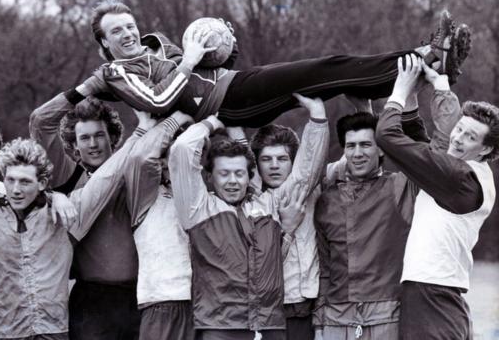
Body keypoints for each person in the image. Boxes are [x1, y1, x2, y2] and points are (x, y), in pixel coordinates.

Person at [63, 0, 470, 128]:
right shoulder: (116, 73)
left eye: (130, 25)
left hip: (236, 83)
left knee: (333, 76)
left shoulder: (159, 48)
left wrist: (223, 45)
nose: (129, 34)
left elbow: (213, 67)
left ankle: (428, 63)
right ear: (104, 43)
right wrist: (187, 62)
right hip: (229, 106)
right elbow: (156, 101)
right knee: (327, 70)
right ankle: (425, 58)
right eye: (117, 32)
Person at [312, 54, 462, 340]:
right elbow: (323, 267)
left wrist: (439, 86)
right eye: (351, 146)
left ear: (382, 149)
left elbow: (441, 153)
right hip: (333, 321)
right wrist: (319, 320)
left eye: (366, 145)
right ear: (343, 150)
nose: (358, 153)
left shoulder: (400, 187)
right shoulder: (326, 197)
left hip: (386, 318)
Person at [168, 94, 328, 340]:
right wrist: (212, 122)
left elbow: (305, 173)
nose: (233, 181)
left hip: (270, 325)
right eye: (224, 174)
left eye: (239, 174)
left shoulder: (268, 204)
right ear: (210, 177)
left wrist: (317, 115)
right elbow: (181, 150)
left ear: (249, 177)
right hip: (220, 327)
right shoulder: (198, 208)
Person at [376, 54, 499, 340]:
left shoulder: (457, 176)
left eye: (470, 137)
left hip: (432, 294)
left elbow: (387, 136)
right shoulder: (469, 171)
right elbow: (430, 144)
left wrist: (401, 90)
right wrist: (439, 83)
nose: (457, 138)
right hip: (438, 295)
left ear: (484, 150)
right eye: (459, 129)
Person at [30, 97, 140, 340]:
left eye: (99, 135)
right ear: (74, 145)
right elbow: (40, 121)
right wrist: (90, 87)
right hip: (92, 301)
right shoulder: (68, 175)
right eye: (84, 138)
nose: (93, 144)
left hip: (139, 296)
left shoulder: (133, 169)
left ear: (112, 136)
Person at [0, 138, 82, 340]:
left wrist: (57, 196)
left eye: (25, 181)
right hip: (1, 332)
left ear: (42, 183)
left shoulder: (61, 217)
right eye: (10, 180)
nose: (16, 189)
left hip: (52, 331)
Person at [123, 111, 195, 340]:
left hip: (202, 305)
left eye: (177, 154)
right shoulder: (145, 197)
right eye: (164, 155)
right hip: (160, 304)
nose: (168, 162)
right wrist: (177, 119)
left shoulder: (202, 194)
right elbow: (141, 158)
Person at [249, 124, 318, 340]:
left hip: (309, 307)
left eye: (282, 159)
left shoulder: (314, 190)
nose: (274, 166)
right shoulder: (249, 203)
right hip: (268, 310)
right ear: (257, 164)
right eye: (266, 159)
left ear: (293, 163)